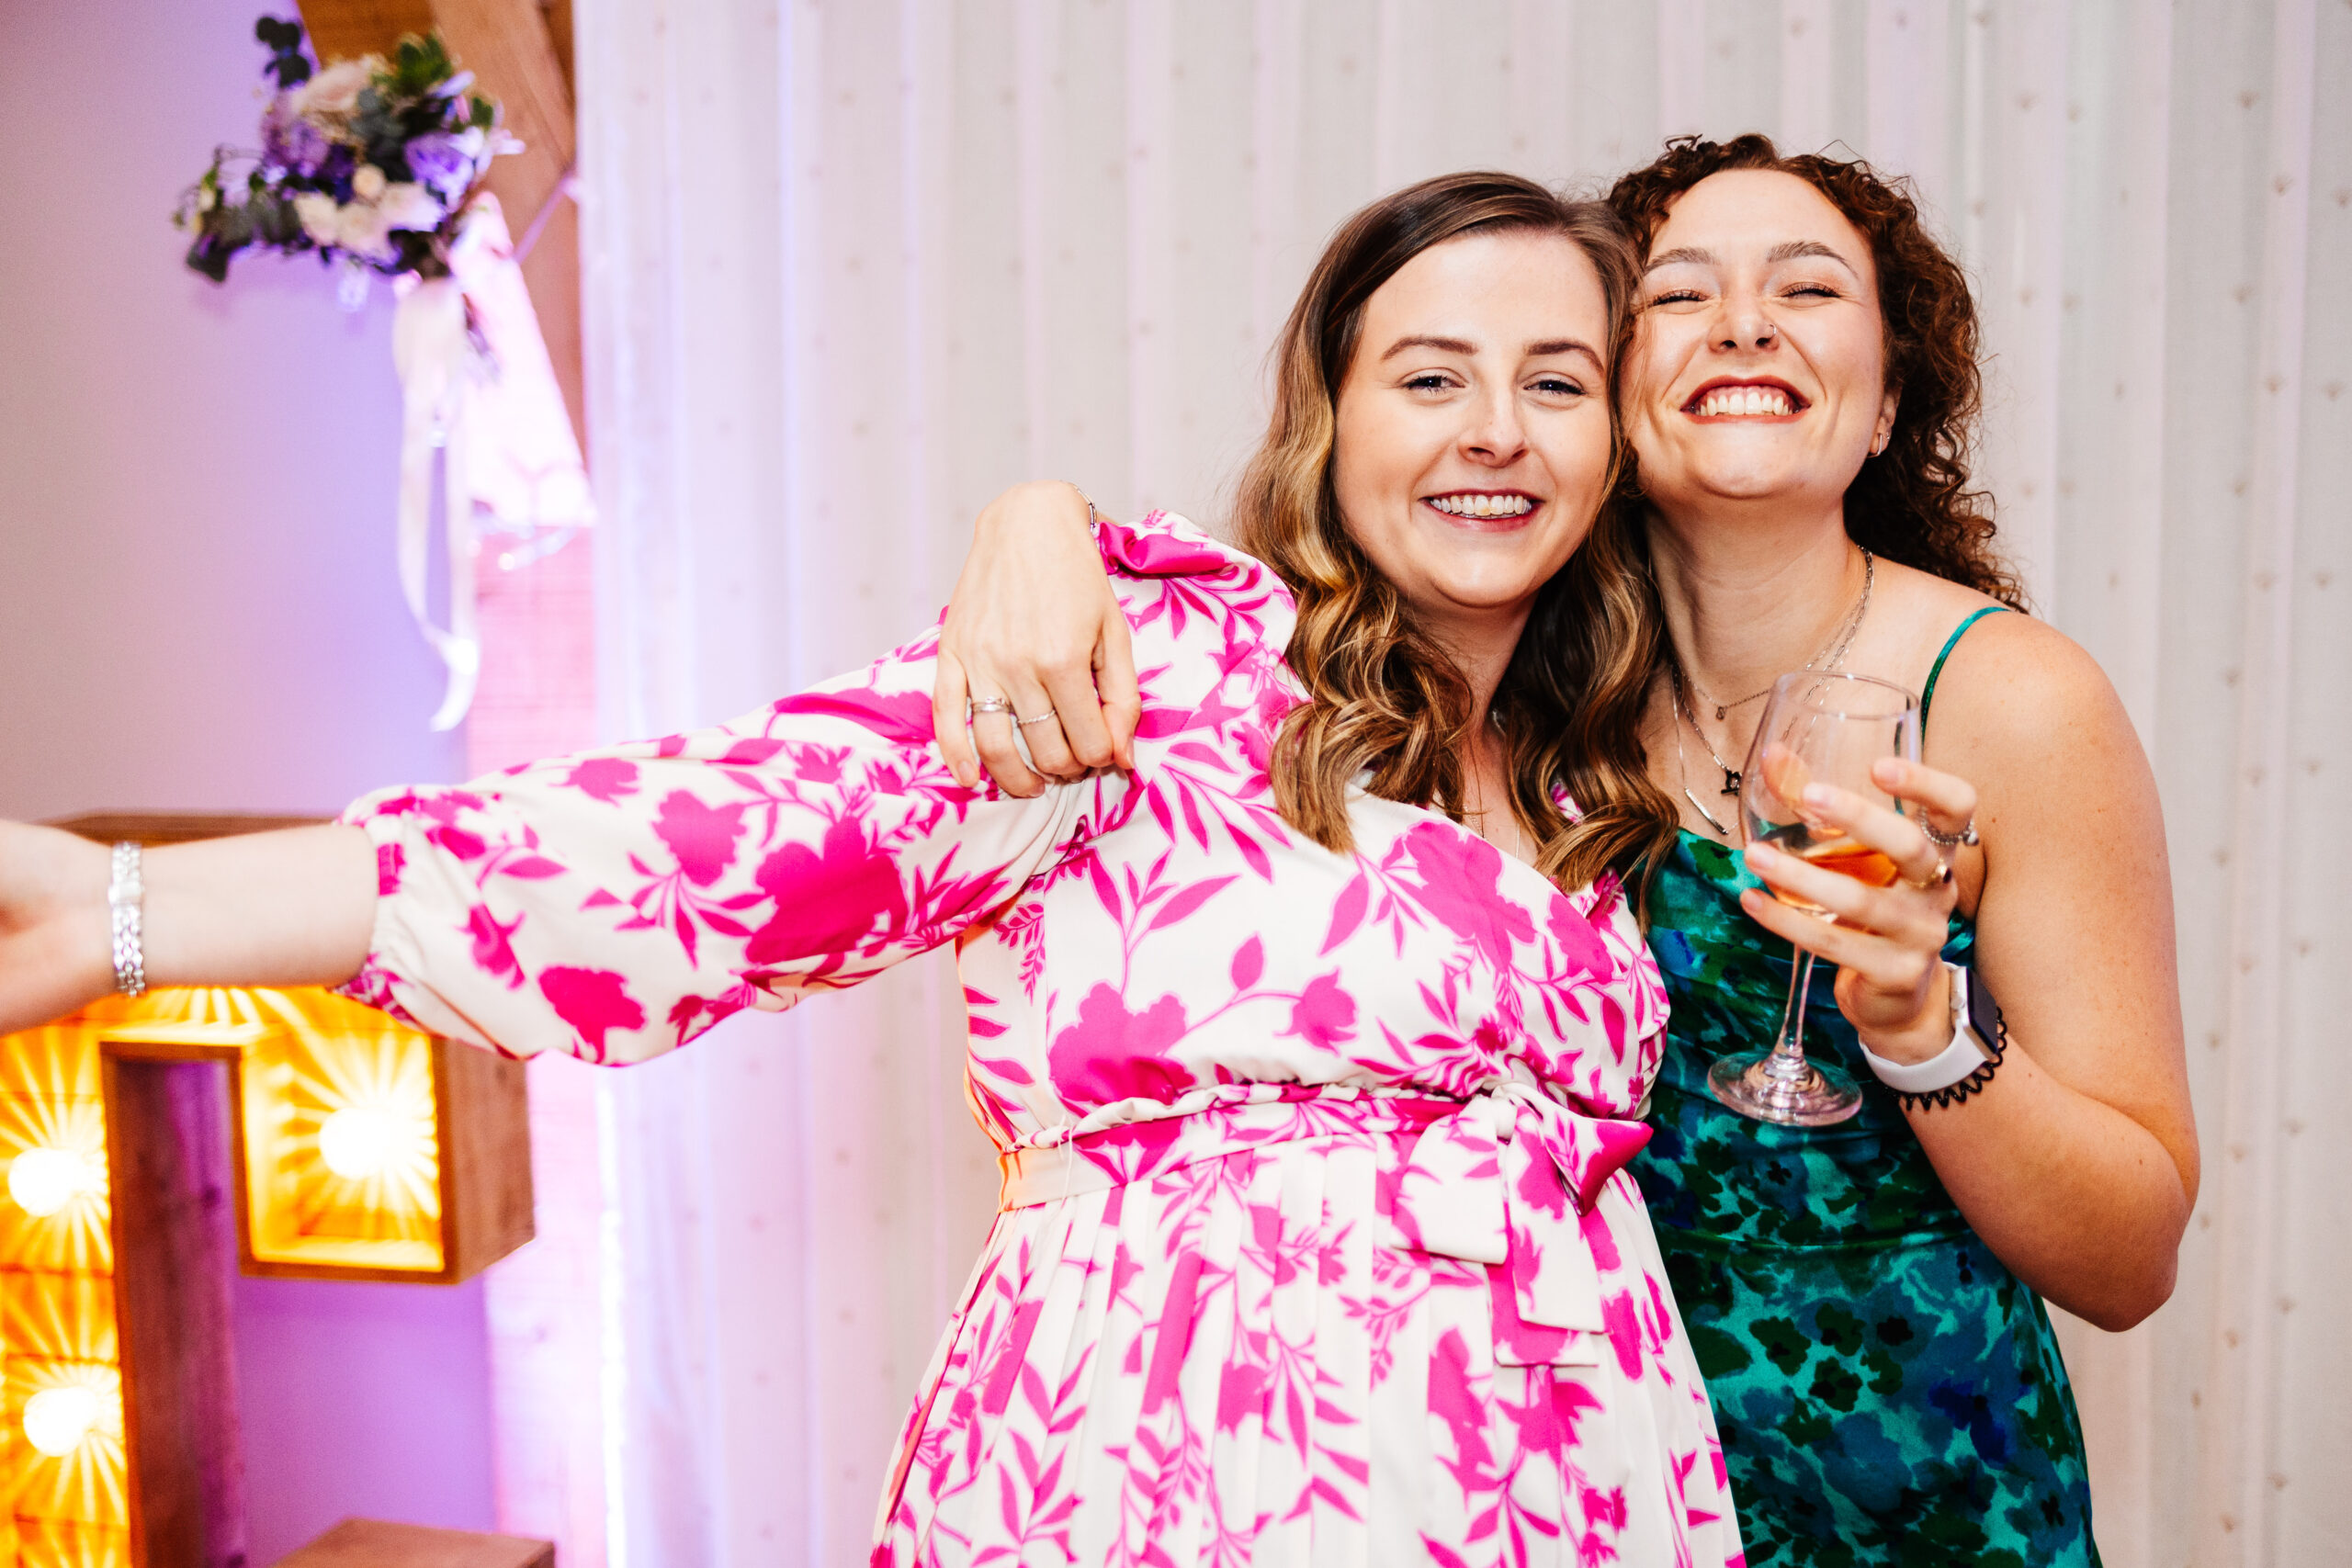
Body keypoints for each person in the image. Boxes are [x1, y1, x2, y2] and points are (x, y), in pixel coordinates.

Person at [0, 175, 1747, 1566]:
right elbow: (710, 846)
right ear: (1333, 418)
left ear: (1619, 444)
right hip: (1191, 1465)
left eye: (1557, 381)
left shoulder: (1603, 778)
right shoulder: (1159, 661)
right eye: (1431, 376)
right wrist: (129, 910)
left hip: (1567, 1464)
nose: (1495, 429)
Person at [926, 135, 2197, 1567]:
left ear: (1891, 396)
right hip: (1562, 1463)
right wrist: (1037, 524)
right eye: (1682, 296)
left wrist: (1920, 1032)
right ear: (1602, 394)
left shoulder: (2013, 702)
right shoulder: (1510, 686)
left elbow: (2132, 1258)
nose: (1745, 326)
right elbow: (1252, 626)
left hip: (1915, 1474)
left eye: (1809, 287)